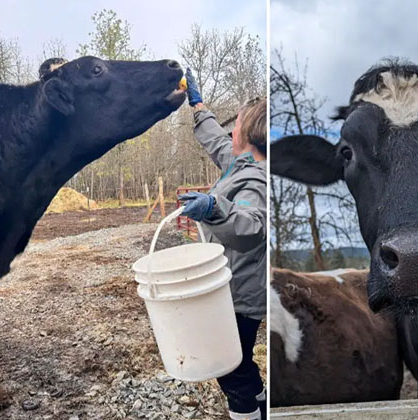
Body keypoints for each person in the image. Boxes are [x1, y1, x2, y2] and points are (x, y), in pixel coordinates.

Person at [178, 68, 267, 420]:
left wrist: (215, 207)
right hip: (236, 288)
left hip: (241, 298)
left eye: (238, 124)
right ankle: (262, 402)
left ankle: (248, 411)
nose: (231, 130)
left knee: (230, 368)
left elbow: (250, 226)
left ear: (248, 134)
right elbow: (216, 139)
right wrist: (198, 106)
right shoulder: (241, 163)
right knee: (242, 361)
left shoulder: (256, 180)